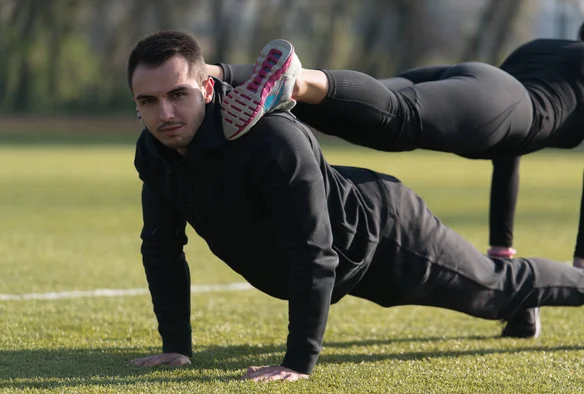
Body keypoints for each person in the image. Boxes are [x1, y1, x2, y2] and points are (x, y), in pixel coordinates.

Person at [127, 30, 584, 382]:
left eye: (177, 95)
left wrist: (298, 362)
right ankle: (523, 305)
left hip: (385, 236)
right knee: (381, 115)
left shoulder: (273, 142)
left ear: (207, 89)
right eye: (148, 102)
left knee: (493, 291)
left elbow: (314, 253)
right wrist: (176, 345)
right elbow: (162, 247)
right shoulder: (155, 151)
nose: (164, 114)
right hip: (341, 244)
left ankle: (554, 288)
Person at [213, 37, 584, 338]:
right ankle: (290, 76)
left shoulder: (541, 47)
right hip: (511, 108)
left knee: (352, 115)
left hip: (476, 81)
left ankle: (214, 76)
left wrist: (502, 248)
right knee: (396, 118)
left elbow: (508, 154)